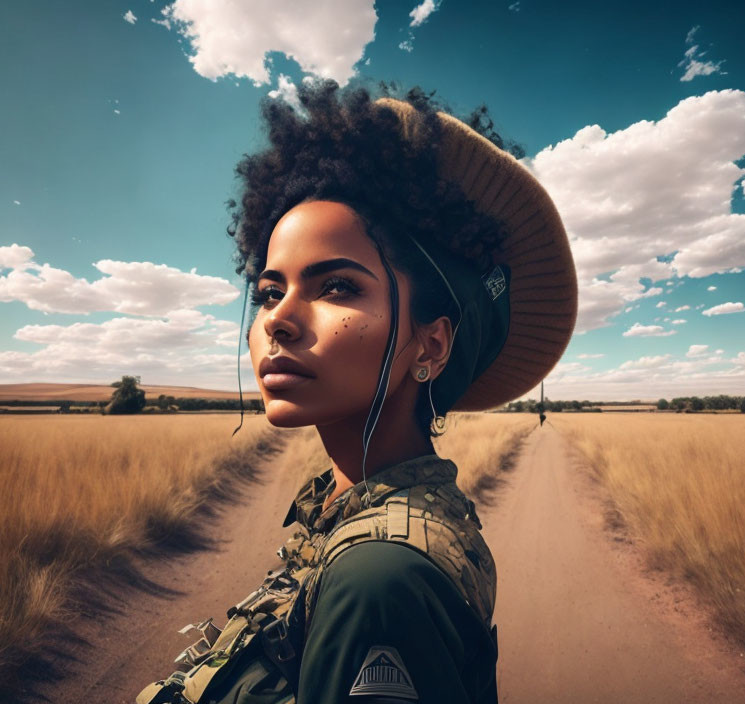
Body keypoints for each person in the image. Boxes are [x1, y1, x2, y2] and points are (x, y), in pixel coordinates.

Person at [137, 82, 576, 704]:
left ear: (431, 347)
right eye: (268, 291)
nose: (277, 321)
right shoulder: (348, 506)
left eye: (337, 287)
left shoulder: (381, 579)